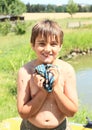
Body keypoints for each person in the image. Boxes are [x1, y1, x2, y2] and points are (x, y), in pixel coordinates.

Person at [17, 19, 78, 130]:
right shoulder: (25, 71)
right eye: (41, 43)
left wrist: (55, 88)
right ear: (33, 45)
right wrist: (43, 91)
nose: (48, 49)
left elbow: (71, 112)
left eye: (54, 44)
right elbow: (23, 113)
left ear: (60, 46)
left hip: (60, 127)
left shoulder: (67, 70)